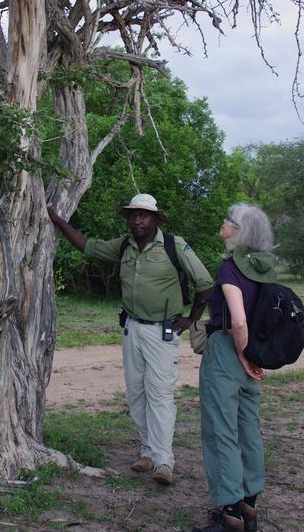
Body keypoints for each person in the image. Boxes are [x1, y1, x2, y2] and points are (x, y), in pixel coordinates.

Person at [47, 193, 213, 485]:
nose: (137, 220)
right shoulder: (124, 246)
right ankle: (147, 451)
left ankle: (164, 462)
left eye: (144, 215)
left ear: (155, 219)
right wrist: (59, 221)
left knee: (160, 395)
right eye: (133, 215)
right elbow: (88, 247)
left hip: (163, 332)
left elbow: (205, 284)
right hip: (132, 328)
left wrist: (190, 319)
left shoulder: (174, 245)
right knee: (136, 393)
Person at [192, 203, 276, 532]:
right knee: (249, 431)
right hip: (253, 354)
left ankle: (229, 516)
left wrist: (242, 355)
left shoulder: (231, 268)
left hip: (230, 352)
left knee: (221, 433)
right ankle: (249, 508)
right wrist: (252, 358)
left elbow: (238, 320)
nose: (223, 222)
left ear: (238, 230)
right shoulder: (264, 268)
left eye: (227, 220)